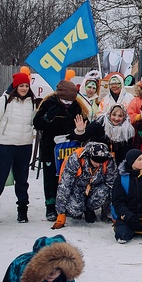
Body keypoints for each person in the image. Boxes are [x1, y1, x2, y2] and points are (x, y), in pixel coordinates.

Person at [0, 72, 37, 226]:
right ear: (15, 86)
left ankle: (22, 209)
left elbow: (33, 122)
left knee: (22, 180)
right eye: (21, 86)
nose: (24, 88)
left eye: (26, 86)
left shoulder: (31, 102)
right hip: (4, 145)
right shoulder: (3, 101)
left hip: (24, 145)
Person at [34, 80, 89, 221]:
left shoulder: (76, 106)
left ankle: (67, 204)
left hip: (69, 147)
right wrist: (48, 117)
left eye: (70, 101)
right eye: (65, 101)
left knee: (68, 176)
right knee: (51, 176)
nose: (68, 104)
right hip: (50, 147)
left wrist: (77, 132)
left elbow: (83, 125)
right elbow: (37, 123)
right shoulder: (49, 103)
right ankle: (50, 207)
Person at [51, 142, 117, 229]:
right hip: (77, 188)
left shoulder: (109, 160)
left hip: (97, 187)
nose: (99, 164)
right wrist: (61, 214)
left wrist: (114, 214)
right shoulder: (75, 159)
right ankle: (79, 208)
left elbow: (113, 186)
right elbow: (64, 185)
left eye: (102, 162)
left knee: (105, 190)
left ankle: (92, 210)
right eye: (96, 162)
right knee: (75, 211)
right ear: (89, 157)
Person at [70, 103, 135, 167]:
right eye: (114, 115)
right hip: (96, 162)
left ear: (124, 117)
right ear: (109, 114)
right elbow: (83, 138)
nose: (116, 118)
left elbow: (126, 152)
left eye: (120, 116)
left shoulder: (127, 130)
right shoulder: (100, 123)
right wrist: (80, 131)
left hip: (115, 165)